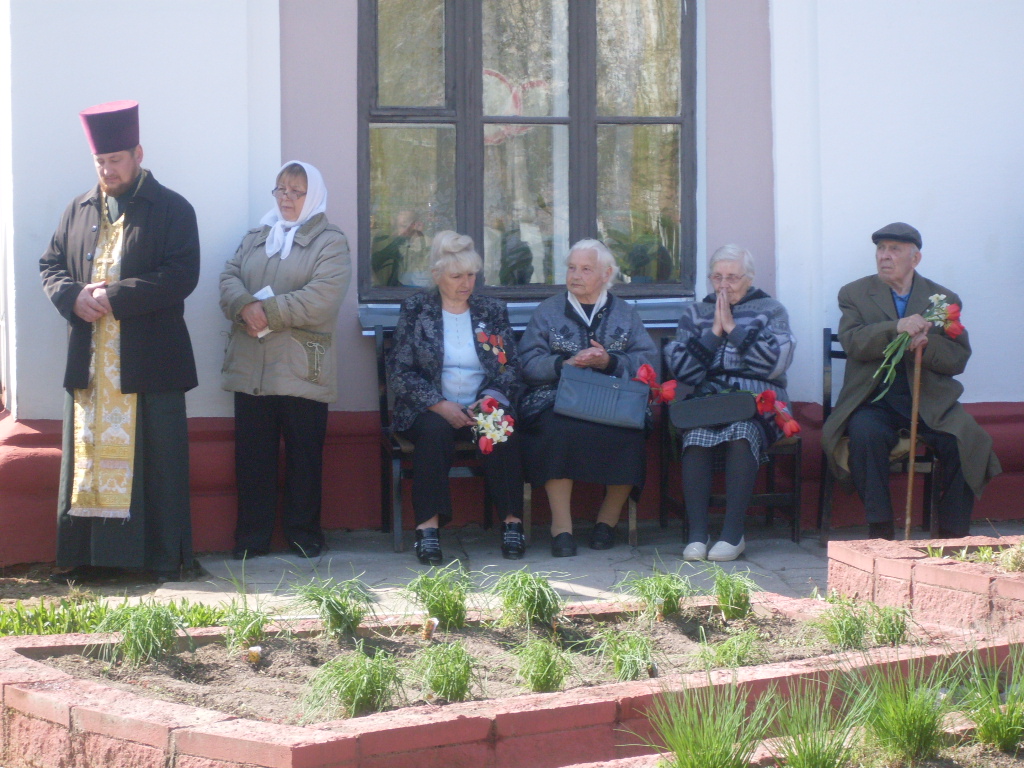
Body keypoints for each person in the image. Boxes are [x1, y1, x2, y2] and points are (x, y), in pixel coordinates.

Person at [40, 100, 199, 584]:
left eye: (116, 161)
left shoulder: (172, 208)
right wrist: (71, 296)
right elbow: (50, 266)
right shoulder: (78, 208)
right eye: (100, 163)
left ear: (138, 154)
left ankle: (157, 558)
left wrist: (112, 296)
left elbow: (181, 275)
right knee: (89, 460)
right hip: (90, 363)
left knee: (155, 462)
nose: (107, 171)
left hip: (149, 362)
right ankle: (90, 558)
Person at [821, 222, 1001, 539]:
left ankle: (951, 533)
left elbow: (958, 359)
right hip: (874, 398)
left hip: (929, 402)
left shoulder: (943, 299)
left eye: (894, 249)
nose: (884, 256)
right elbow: (853, 343)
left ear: (915, 258)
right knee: (864, 435)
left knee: (969, 440)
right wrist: (896, 328)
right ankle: (880, 530)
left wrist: (929, 346)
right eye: (880, 249)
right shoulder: (854, 293)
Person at [219, 161, 351, 560]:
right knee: (253, 457)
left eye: (296, 191)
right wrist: (244, 304)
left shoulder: (331, 241)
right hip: (252, 366)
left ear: (313, 196)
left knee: (304, 457)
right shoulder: (258, 236)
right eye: (281, 190)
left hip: (300, 368)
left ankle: (303, 535)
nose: (287, 199)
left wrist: (267, 311)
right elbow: (228, 277)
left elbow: (323, 297)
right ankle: (252, 539)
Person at [387, 231, 525, 564]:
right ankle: (428, 529)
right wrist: (439, 404)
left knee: (500, 428)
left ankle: (512, 523)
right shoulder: (417, 309)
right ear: (437, 276)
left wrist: (489, 398)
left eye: (471, 275)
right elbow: (400, 371)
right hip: (430, 408)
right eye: (457, 276)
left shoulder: (490, 310)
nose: (466, 283)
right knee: (434, 433)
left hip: (481, 405)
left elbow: (510, 367)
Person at [519, 239, 657, 557]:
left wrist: (609, 361)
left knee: (631, 431)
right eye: (571, 268)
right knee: (556, 429)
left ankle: (606, 523)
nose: (575, 275)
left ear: (606, 274)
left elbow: (649, 363)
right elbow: (526, 363)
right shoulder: (548, 311)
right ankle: (561, 528)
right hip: (556, 396)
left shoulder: (625, 313)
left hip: (613, 398)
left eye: (585, 269)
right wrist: (562, 363)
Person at [664, 245, 796, 561]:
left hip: (761, 402)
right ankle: (697, 534)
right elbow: (682, 371)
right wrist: (712, 333)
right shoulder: (694, 313)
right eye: (718, 277)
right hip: (709, 402)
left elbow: (775, 364)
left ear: (748, 278)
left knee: (741, 433)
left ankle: (732, 534)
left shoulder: (772, 310)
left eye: (733, 278)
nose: (724, 285)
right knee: (695, 438)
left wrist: (734, 331)